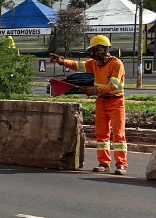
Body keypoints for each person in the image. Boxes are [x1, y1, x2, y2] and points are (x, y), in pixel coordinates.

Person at [50, 35, 127, 175]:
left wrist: (94, 90)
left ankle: (121, 164)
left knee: (118, 134)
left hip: (116, 102)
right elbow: (78, 65)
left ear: (102, 49)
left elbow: (113, 86)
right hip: (101, 101)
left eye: (94, 50)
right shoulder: (94, 64)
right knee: (101, 134)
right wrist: (62, 61)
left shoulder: (116, 64)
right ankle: (104, 163)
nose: (91, 54)